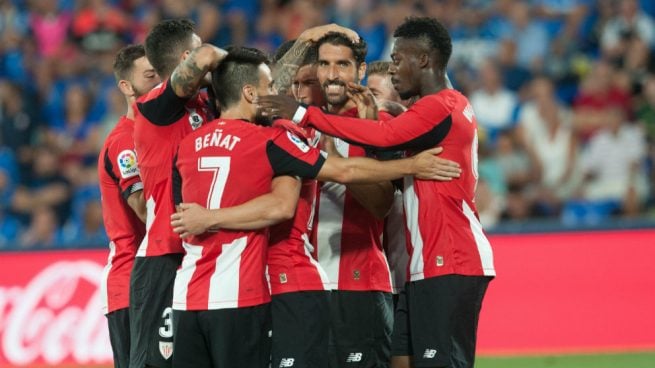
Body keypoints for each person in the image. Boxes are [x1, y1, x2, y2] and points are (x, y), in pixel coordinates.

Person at [169, 46, 459, 368]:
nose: (279, 95)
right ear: (250, 93)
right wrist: (411, 167)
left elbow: (181, 213)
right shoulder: (271, 139)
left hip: (190, 293)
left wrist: (208, 217)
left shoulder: (186, 144)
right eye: (271, 88)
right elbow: (312, 188)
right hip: (248, 291)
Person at [258, 16, 496, 368]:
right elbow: (266, 95)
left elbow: (383, 196)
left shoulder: (396, 118)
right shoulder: (299, 126)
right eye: (322, 66)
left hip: (400, 270)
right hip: (314, 280)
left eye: (341, 64)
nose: (331, 74)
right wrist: (306, 39)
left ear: (360, 70)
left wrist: (318, 125)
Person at [130, 19, 227, 368]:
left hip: (206, 256)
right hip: (164, 256)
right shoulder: (155, 106)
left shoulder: (206, 104)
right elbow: (207, 55)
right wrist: (229, 62)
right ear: (187, 55)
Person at [98, 44, 160, 368]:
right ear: (126, 86)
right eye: (149, 75)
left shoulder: (155, 134)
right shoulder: (125, 140)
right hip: (132, 284)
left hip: (156, 279)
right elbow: (143, 208)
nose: (158, 81)